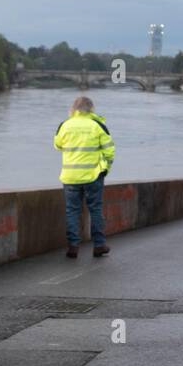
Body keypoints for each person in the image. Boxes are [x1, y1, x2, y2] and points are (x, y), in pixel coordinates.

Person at [54, 95, 116, 259]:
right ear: (91, 109)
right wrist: (104, 169)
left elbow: (57, 145)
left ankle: (73, 246)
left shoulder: (65, 125)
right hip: (93, 176)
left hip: (70, 177)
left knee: (72, 211)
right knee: (95, 209)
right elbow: (110, 151)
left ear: (74, 109)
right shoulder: (97, 125)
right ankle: (99, 245)